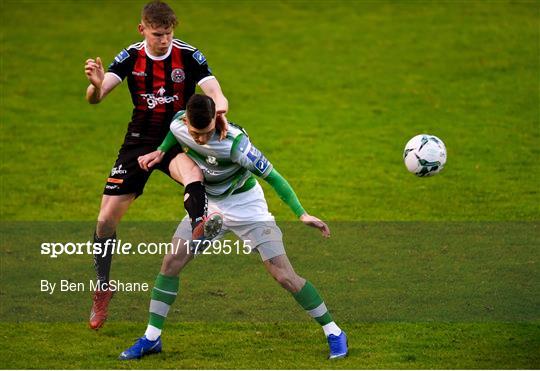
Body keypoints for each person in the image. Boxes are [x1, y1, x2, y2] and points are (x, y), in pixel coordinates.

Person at [118, 94, 348, 360]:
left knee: (284, 275)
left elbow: (275, 178)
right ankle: (151, 338)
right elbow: (174, 134)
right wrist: (160, 150)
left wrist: (302, 214)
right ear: (186, 121)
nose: (201, 139)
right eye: (195, 133)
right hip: (210, 206)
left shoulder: (236, 144)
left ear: (216, 119)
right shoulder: (179, 124)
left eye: (205, 133)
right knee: (171, 262)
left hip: (247, 206)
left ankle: (334, 331)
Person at [84, 0, 228, 330]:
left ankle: (201, 225)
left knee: (192, 173)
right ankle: (103, 287)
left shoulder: (189, 56)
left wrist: (219, 110)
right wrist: (94, 85)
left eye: (168, 33)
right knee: (105, 220)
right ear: (142, 30)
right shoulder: (131, 56)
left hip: (177, 136)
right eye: (157, 34)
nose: (164, 39)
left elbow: (215, 91)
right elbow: (98, 96)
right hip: (138, 141)